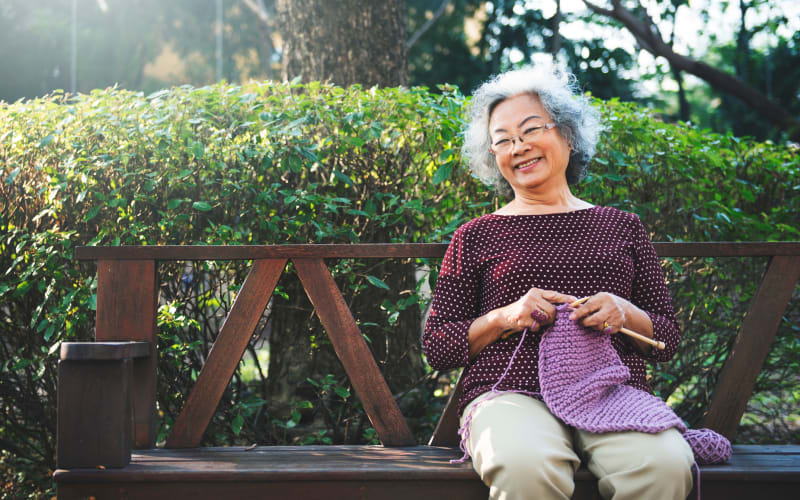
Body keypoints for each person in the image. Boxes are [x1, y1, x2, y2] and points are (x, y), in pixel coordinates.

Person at [422, 61, 694, 500]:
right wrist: (504, 317)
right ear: (493, 157)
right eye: (503, 141)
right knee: (526, 464)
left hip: (610, 391)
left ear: (567, 134)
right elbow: (438, 346)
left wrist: (623, 312)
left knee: (664, 465)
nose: (519, 147)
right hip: (507, 394)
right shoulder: (474, 235)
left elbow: (667, 336)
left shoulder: (622, 227)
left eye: (531, 130)